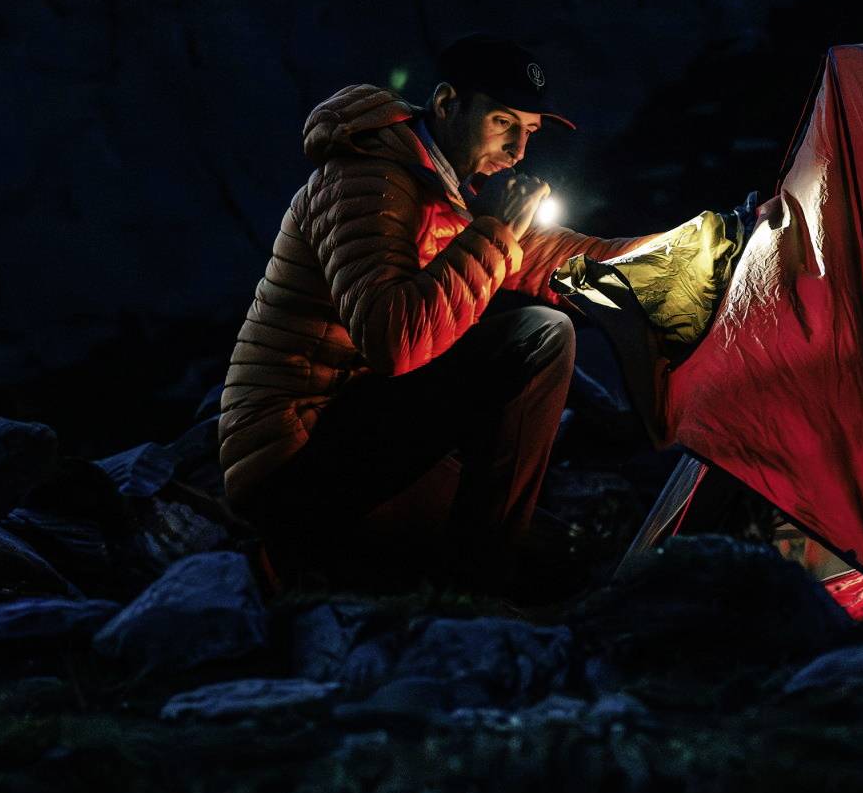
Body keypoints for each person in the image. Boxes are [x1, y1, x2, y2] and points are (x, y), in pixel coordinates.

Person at [218, 34, 657, 594]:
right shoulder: (366, 179)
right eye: (503, 123)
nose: (519, 150)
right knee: (540, 333)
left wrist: (698, 250)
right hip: (293, 462)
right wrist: (495, 231)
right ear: (448, 104)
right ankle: (476, 589)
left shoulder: (451, 190)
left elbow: (564, 259)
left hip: (358, 438)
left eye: (530, 131)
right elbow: (394, 341)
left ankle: (475, 572)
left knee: (558, 556)